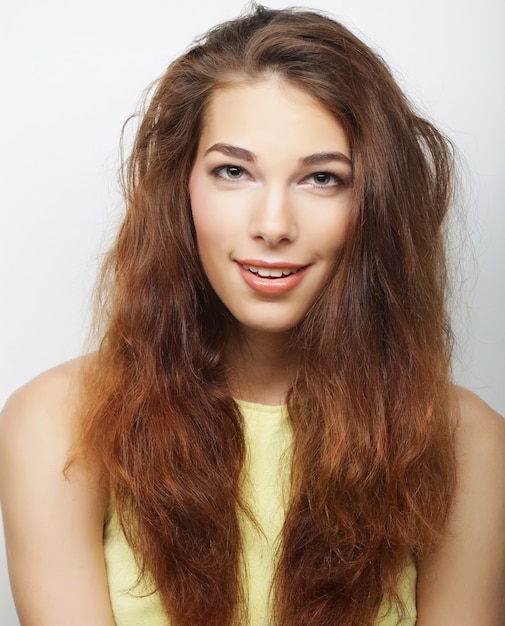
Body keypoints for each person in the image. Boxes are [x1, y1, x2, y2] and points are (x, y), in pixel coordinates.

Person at [1, 4, 504, 625]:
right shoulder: (57, 423)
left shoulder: (464, 441)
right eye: (232, 171)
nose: (272, 226)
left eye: (322, 178)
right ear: (180, 186)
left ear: (375, 202)